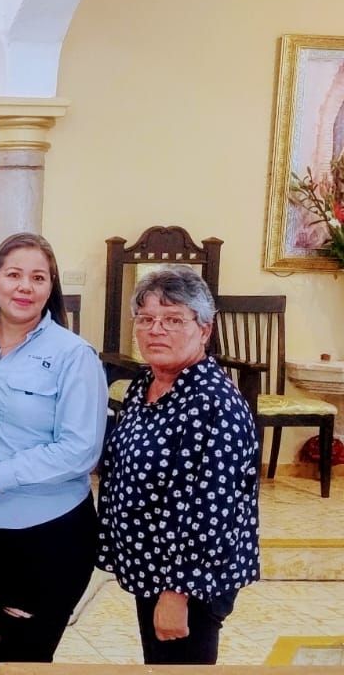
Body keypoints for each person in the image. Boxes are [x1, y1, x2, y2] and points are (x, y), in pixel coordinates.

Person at [0, 233, 107, 675]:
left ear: (51, 287)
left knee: (25, 661)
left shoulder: (73, 355)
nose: (25, 286)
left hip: (47, 535)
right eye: (14, 275)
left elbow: (80, 449)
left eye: (38, 278)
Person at [97, 266, 259, 665]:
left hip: (190, 582)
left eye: (173, 320)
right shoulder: (144, 386)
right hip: (152, 565)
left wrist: (177, 593)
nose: (156, 330)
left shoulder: (214, 403)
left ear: (204, 330)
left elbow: (214, 509)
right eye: (146, 319)